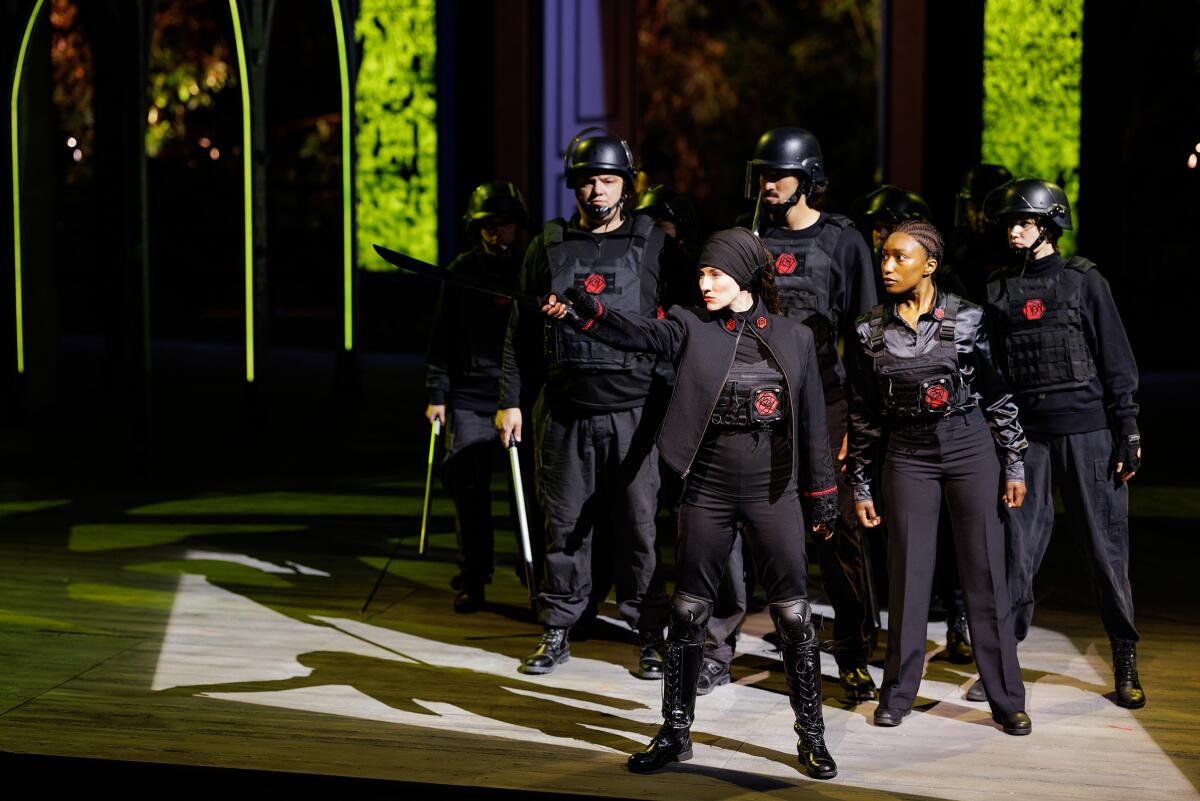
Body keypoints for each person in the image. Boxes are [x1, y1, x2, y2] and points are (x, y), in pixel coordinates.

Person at [542, 227, 841, 779]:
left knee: (795, 616)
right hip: (707, 485)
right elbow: (633, 333)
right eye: (701, 273)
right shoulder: (688, 327)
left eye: (716, 274)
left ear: (747, 277)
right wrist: (584, 311)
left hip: (773, 488)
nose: (704, 283)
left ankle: (813, 736)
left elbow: (815, 426)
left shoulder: (796, 337)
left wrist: (823, 495)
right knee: (687, 611)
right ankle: (675, 732)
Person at [705, 127, 877, 703]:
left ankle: (853, 654)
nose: (767, 185)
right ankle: (715, 651)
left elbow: (867, 335)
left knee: (838, 533)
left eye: (777, 175)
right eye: (761, 175)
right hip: (752, 404)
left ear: (808, 179)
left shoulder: (844, 241)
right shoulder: (746, 236)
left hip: (824, 403)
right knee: (736, 526)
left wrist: (856, 420)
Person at [847, 218, 1032, 735]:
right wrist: (861, 482)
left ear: (929, 264)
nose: (886, 266)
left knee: (985, 575)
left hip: (969, 446)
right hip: (907, 453)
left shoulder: (971, 318)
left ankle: (1005, 698)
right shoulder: (867, 330)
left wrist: (1014, 462)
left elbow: (998, 396)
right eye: (883, 256)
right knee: (907, 576)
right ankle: (898, 693)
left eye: (899, 257)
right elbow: (863, 414)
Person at [497, 129, 670, 680]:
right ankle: (559, 627)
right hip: (565, 408)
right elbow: (519, 330)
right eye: (587, 180)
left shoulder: (656, 243)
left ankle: (649, 632)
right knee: (565, 525)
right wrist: (510, 401)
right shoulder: (547, 244)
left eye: (607, 180)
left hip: (635, 412)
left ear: (626, 185)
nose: (596, 191)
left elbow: (681, 330)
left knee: (639, 528)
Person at [982, 177, 1145, 709]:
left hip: (1088, 432)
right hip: (1029, 440)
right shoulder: (999, 287)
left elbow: (1116, 358)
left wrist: (1128, 431)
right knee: (1016, 553)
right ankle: (1004, 664)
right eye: (1009, 223)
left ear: (1050, 224)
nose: (1014, 232)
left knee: (1104, 549)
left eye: (1024, 222)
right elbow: (994, 371)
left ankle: (1124, 656)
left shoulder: (1084, 282)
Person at [852, 183, 975, 664]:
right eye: (878, 230)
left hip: (949, 432)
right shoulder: (879, 275)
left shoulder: (951, 289)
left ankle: (960, 621)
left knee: (953, 538)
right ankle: (898, 640)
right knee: (897, 538)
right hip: (893, 426)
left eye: (891, 228)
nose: (883, 241)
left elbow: (975, 368)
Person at [425, 181, 529, 612]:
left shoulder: (528, 268)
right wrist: (437, 393)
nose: (495, 234)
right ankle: (473, 577)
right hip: (470, 395)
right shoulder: (461, 270)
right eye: (488, 225)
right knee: (468, 492)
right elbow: (442, 337)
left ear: (517, 227)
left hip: (519, 397)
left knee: (529, 499)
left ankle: (537, 580)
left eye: (503, 225)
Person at [948, 164, 1013, 301]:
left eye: (989, 207)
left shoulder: (1017, 247)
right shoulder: (955, 247)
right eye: (974, 207)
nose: (980, 216)